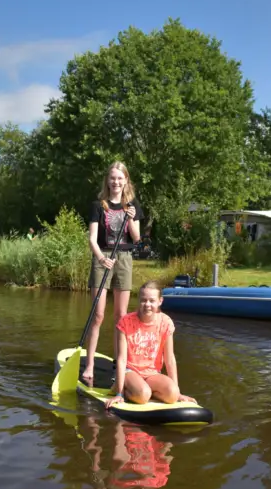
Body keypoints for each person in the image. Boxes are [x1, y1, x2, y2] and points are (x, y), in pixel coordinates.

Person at [83, 161, 144, 384]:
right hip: (103, 258)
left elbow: (136, 238)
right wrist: (101, 258)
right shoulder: (99, 205)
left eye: (120, 178)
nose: (116, 182)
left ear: (126, 180)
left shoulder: (132, 204)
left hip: (124, 259)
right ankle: (89, 364)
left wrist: (130, 217)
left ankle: (121, 364)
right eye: (112, 178)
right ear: (107, 181)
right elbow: (92, 238)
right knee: (97, 315)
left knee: (121, 316)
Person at [105, 281, 196, 409]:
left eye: (152, 301)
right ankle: (124, 388)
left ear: (160, 301)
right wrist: (119, 393)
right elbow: (121, 359)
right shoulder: (125, 322)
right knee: (142, 395)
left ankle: (146, 390)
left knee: (172, 394)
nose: (147, 305)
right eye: (143, 300)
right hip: (130, 371)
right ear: (139, 301)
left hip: (152, 373)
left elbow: (170, 359)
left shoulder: (165, 322)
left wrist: (179, 393)